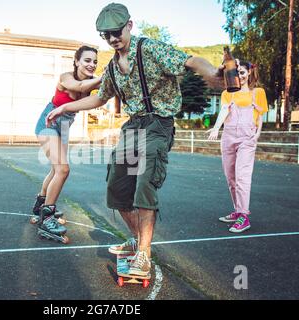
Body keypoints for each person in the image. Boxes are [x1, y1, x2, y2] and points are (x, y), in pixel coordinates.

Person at [46, 3, 223, 276]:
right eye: (106, 35)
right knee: (117, 189)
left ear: (129, 25)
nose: (113, 38)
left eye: (117, 31)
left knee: (144, 182)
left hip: (158, 124)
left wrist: (212, 73)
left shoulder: (150, 49)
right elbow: (100, 97)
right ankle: (137, 240)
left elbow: (190, 60)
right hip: (133, 127)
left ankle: (144, 255)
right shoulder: (113, 68)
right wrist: (64, 107)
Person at [33, 45, 101, 241]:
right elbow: (79, 88)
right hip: (48, 122)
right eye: (87, 60)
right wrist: (106, 76)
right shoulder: (66, 77)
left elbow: (99, 96)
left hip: (64, 127)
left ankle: (40, 206)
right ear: (77, 61)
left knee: (56, 170)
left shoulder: (92, 82)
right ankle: (47, 219)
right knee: (63, 170)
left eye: (95, 62)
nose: (92, 65)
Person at [208, 60, 268, 233]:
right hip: (228, 137)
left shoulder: (258, 92)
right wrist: (216, 128)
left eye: (242, 72)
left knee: (242, 177)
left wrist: (257, 134)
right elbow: (223, 111)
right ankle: (237, 210)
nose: (240, 76)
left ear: (249, 73)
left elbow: (260, 115)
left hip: (247, 137)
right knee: (231, 178)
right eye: (236, 73)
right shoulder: (228, 93)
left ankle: (244, 216)